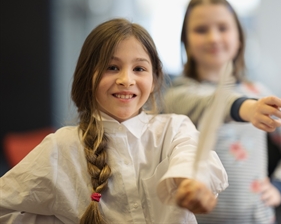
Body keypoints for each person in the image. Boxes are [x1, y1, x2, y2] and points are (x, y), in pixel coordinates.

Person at [0, 18, 229, 224]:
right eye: (112, 67)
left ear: (155, 78)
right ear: (87, 76)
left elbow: (194, 157)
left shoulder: (175, 128)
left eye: (139, 68)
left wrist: (192, 183)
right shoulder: (60, 147)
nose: (126, 79)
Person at [163, 0, 281, 224]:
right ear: (186, 42)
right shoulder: (177, 94)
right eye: (201, 30)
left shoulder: (258, 92)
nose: (213, 37)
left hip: (256, 218)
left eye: (223, 28)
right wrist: (247, 108)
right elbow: (214, 102)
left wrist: (280, 187)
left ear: (240, 38)